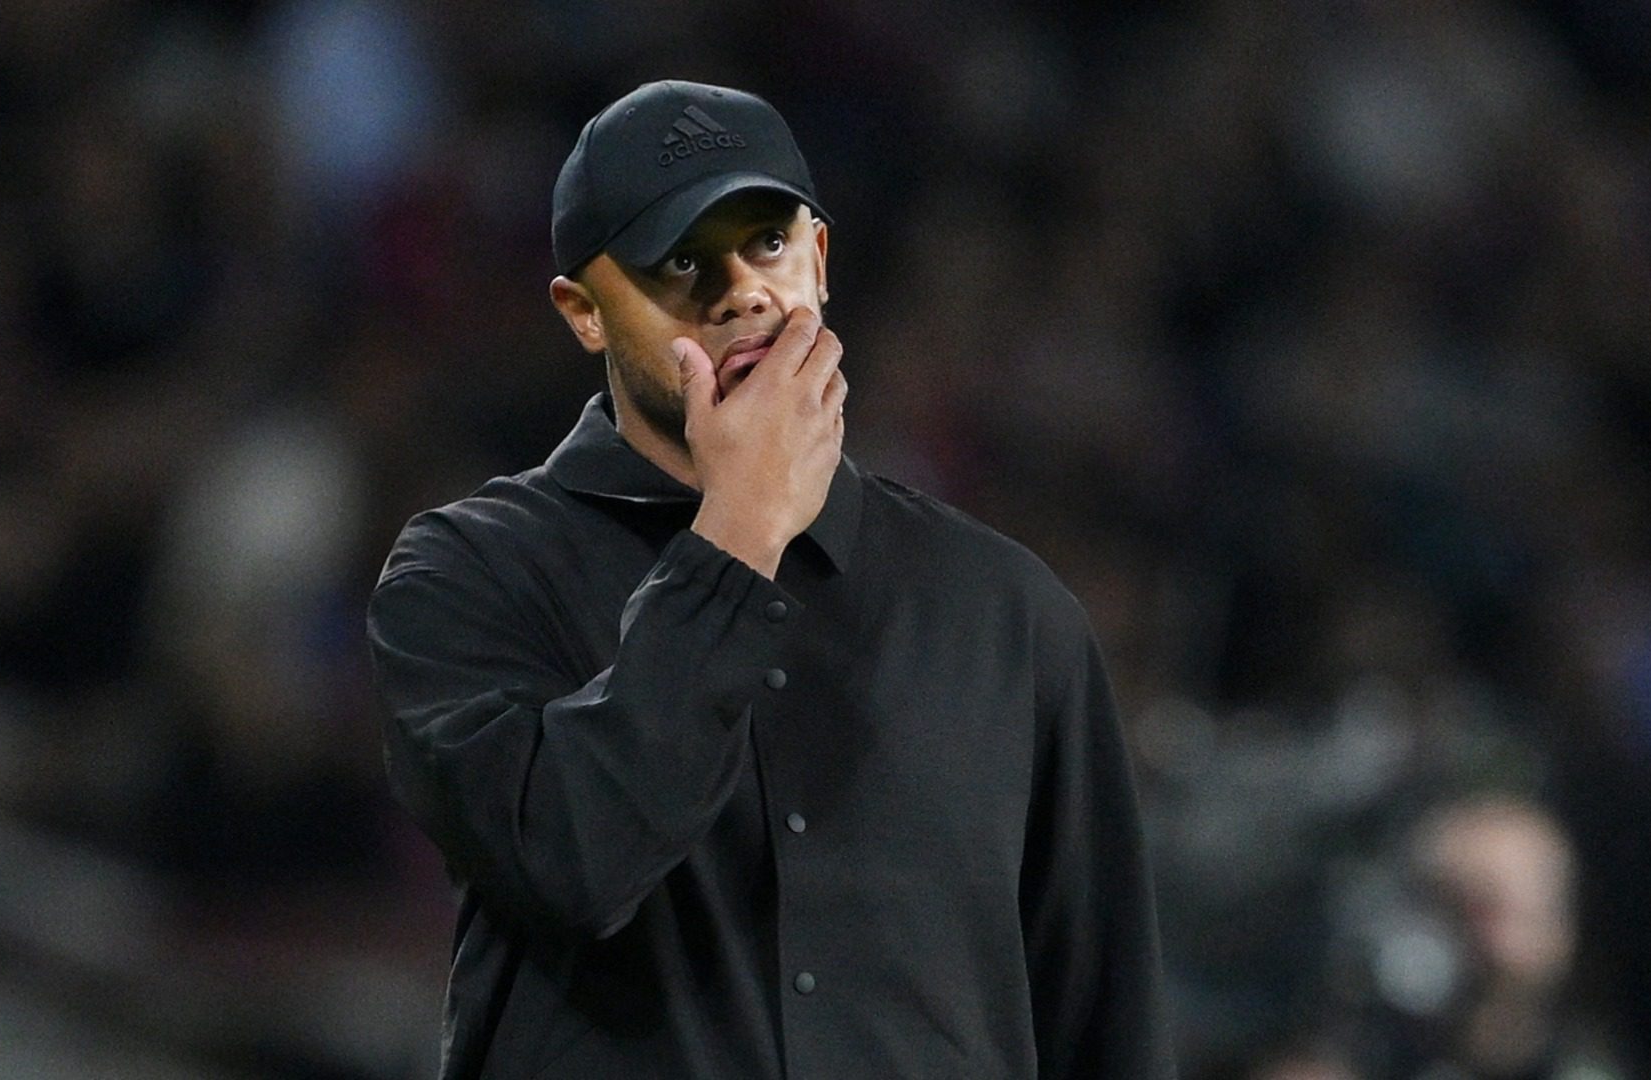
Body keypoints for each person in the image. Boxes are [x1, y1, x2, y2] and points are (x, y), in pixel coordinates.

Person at [366, 79, 1175, 1079]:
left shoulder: (1009, 612)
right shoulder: (468, 576)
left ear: (820, 262)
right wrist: (738, 533)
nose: (742, 292)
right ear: (583, 312)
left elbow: (1104, 1032)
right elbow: (573, 864)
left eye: (769, 242)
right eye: (680, 261)